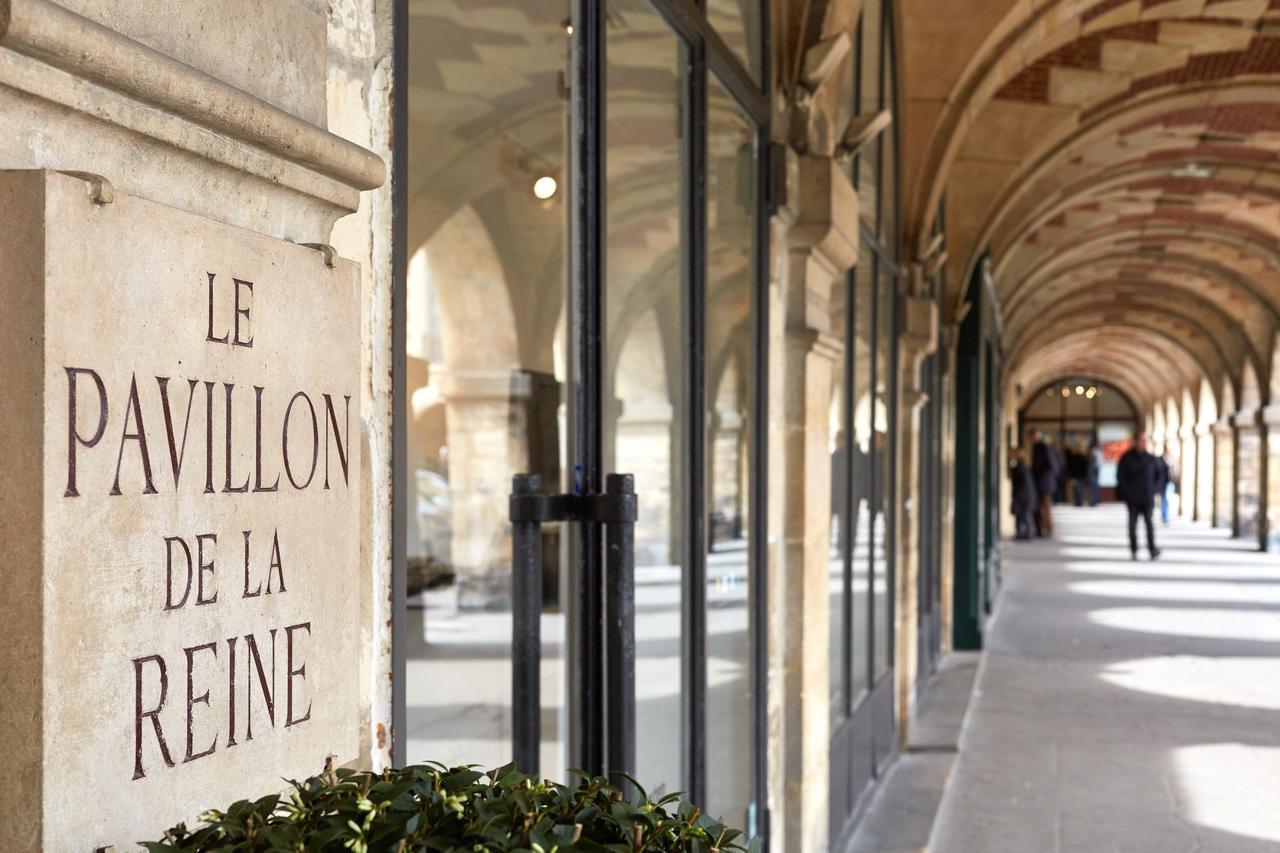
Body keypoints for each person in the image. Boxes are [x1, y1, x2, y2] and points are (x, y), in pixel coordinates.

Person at [1116, 432, 1165, 560]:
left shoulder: (1151, 459)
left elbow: (1159, 477)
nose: (1143, 443)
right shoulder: (1127, 458)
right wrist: (1126, 492)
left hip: (1147, 498)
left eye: (1145, 441)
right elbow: (1120, 476)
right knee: (1132, 525)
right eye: (1141, 440)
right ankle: (1133, 549)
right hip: (1132, 498)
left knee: (1149, 524)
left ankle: (1152, 549)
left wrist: (1154, 490)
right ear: (1136, 441)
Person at [1030, 430, 1060, 537]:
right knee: (1040, 507)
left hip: (1044, 484)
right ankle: (1041, 529)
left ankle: (1049, 529)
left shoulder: (1042, 447)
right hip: (1041, 483)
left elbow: (1050, 466)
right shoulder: (1037, 447)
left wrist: (1043, 479)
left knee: (1045, 507)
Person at [1010, 447, 1036, 540]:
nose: (1011, 455)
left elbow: (1023, 484)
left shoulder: (1021, 467)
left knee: (1024, 515)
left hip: (1023, 495)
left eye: (1013, 453)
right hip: (1024, 495)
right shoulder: (1022, 466)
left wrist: (1019, 496)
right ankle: (1024, 533)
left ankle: (1027, 533)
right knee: (1023, 515)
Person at [1159, 450, 1179, 525]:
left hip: (1169, 483)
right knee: (1164, 499)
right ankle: (1165, 515)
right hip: (1163, 483)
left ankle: (1166, 516)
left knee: (1167, 499)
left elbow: (1174, 472)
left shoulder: (1171, 461)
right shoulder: (1160, 460)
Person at [1088, 442, 1104, 506]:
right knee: (1095, 485)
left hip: (1094, 469)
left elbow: (1096, 461)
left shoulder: (1094, 452)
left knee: (1093, 485)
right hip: (1096, 469)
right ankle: (1096, 499)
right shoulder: (1099, 452)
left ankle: (1094, 500)